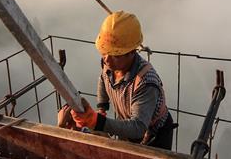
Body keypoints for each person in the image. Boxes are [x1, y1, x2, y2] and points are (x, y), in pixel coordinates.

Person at [58, 11, 174, 150]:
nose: (107, 59)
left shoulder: (146, 82)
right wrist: (102, 108)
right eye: (104, 51)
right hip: (128, 124)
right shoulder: (110, 64)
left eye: (115, 54)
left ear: (132, 52)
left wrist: (97, 121)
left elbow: (138, 128)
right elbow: (103, 79)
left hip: (154, 135)